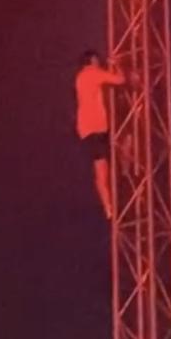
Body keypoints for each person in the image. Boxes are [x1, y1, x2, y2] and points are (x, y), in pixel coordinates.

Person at [75, 50, 125, 220]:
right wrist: (116, 64)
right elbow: (120, 80)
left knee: (99, 169)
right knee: (106, 165)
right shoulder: (93, 73)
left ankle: (108, 206)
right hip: (98, 127)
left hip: (85, 129)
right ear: (92, 61)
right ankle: (127, 173)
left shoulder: (80, 78)